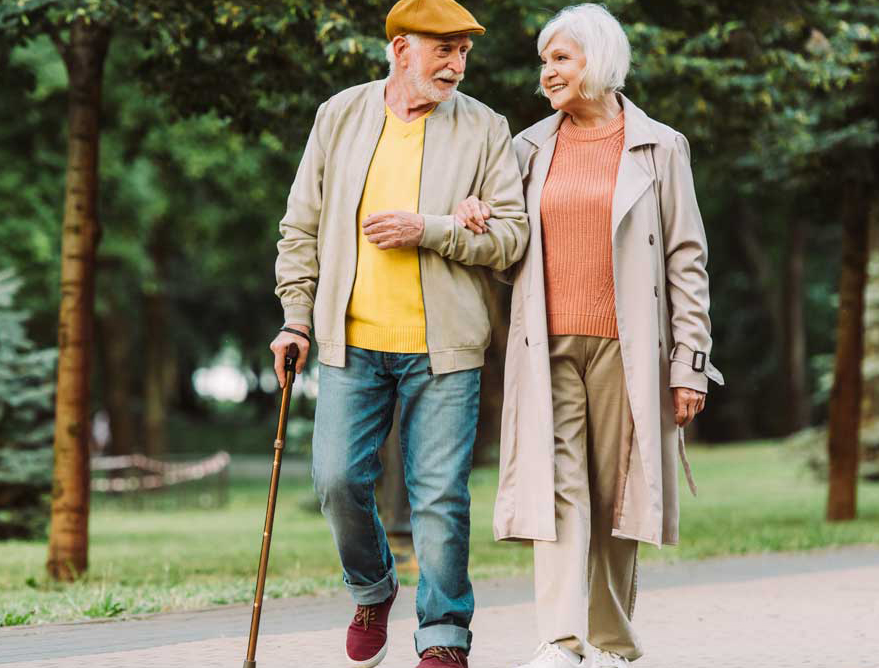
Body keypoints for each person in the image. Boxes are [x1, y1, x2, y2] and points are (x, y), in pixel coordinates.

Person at [452, 5, 723, 667]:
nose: (547, 73)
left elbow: (686, 259)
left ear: (597, 62)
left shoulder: (661, 146)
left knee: (617, 495)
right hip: (544, 345)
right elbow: (503, 237)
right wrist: (472, 212)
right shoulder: (527, 147)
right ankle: (561, 639)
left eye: (561, 60)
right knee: (558, 486)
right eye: (545, 61)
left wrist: (689, 363)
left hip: (629, 349)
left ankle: (611, 643)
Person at [269, 0, 529, 665]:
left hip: (445, 351)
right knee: (335, 481)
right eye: (442, 49)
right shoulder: (342, 116)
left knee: (439, 498)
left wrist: (432, 229)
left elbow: (511, 239)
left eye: (463, 51)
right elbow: (300, 226)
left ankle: (443, 637)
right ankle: (372, 586)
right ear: (400, 49)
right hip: (351, 345)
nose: (455, 63)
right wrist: (296, 316)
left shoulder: (485, 128)